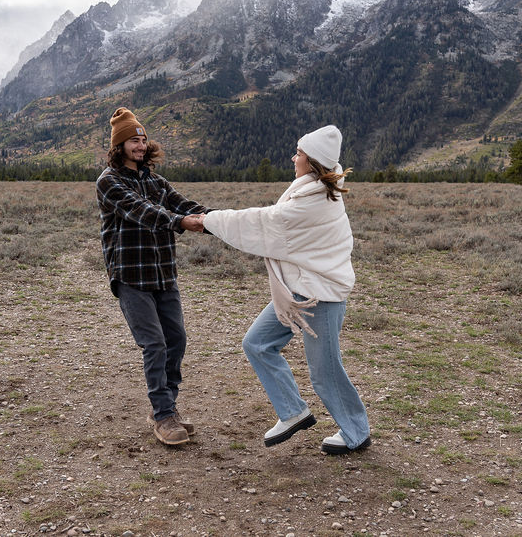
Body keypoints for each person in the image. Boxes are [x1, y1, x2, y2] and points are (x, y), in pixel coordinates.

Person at [197, 125, 371, 454]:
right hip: (298, 293)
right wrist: (210, 219)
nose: (294, 158)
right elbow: (270, 221)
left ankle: (357, 433)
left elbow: (263, 222)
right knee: (258, 343)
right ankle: (293, 411)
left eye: (300, 153)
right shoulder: (314, 190)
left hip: (321, 296)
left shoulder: (311, 201)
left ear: (314, 162)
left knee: (325, 372)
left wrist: (207, 221)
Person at [96, 107, 209, 446]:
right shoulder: (109, 182)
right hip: (131, 275)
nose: (140, 145)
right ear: (120, 145)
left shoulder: (156, 182)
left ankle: (167, 406)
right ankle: (162, 415)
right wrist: (179, 222)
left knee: (177, 340)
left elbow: (183, 204)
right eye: (133, 140)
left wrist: (221, 221)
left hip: (163, 274)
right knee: (155, 343)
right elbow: (141, 210)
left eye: (143, 139)